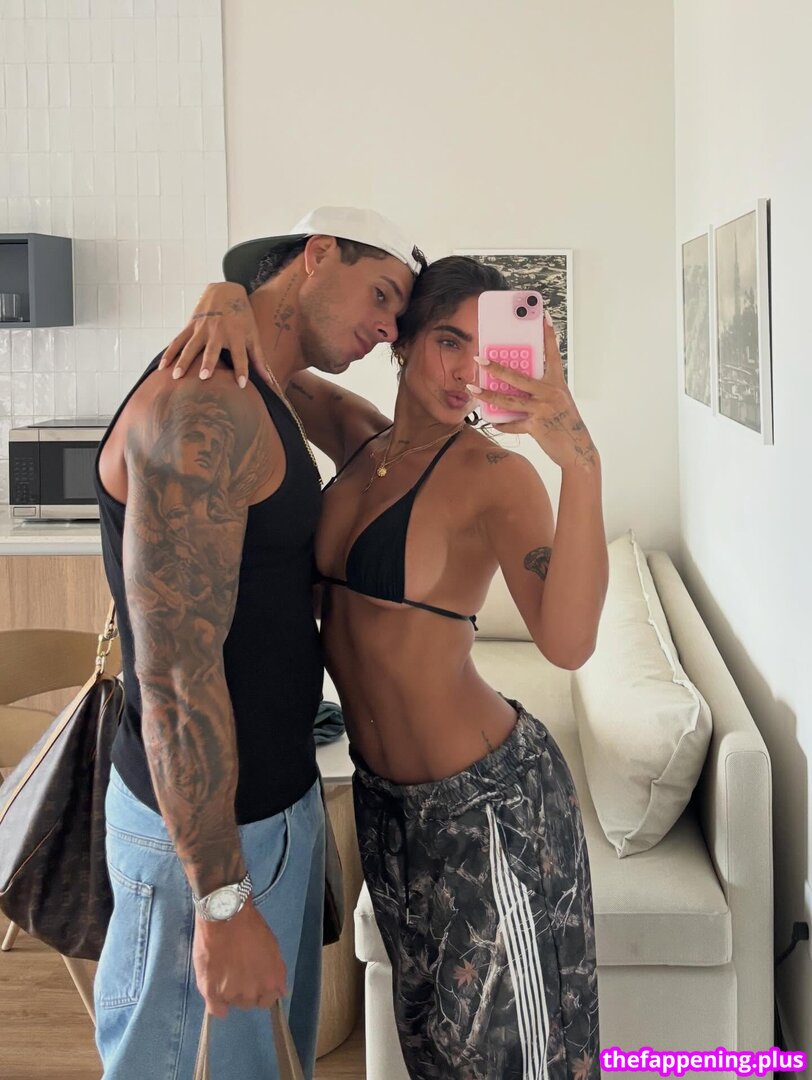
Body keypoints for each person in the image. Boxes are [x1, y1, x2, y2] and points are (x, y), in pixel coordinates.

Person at [165, 252, 608, 1079]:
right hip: (386, 809)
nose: (467, 372)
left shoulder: (497, 478)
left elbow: (569, 643)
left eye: (486, 350)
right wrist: (222, 295)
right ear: (402, 342)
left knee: (517, 1060)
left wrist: (578, 460)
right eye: (448, 341)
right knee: (431, 1048)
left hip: (490, 808)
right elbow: (273, 353)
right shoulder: (357, 438)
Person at [93, 206, 424, 1079]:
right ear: (319, 254)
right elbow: (174, 672)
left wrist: (231, 293)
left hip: (270, 804)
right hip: (207, 839)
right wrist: (221, 897)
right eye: (381, 294)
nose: (389, 328)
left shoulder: (267, 387)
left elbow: (374, 440)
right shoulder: (206, 404)